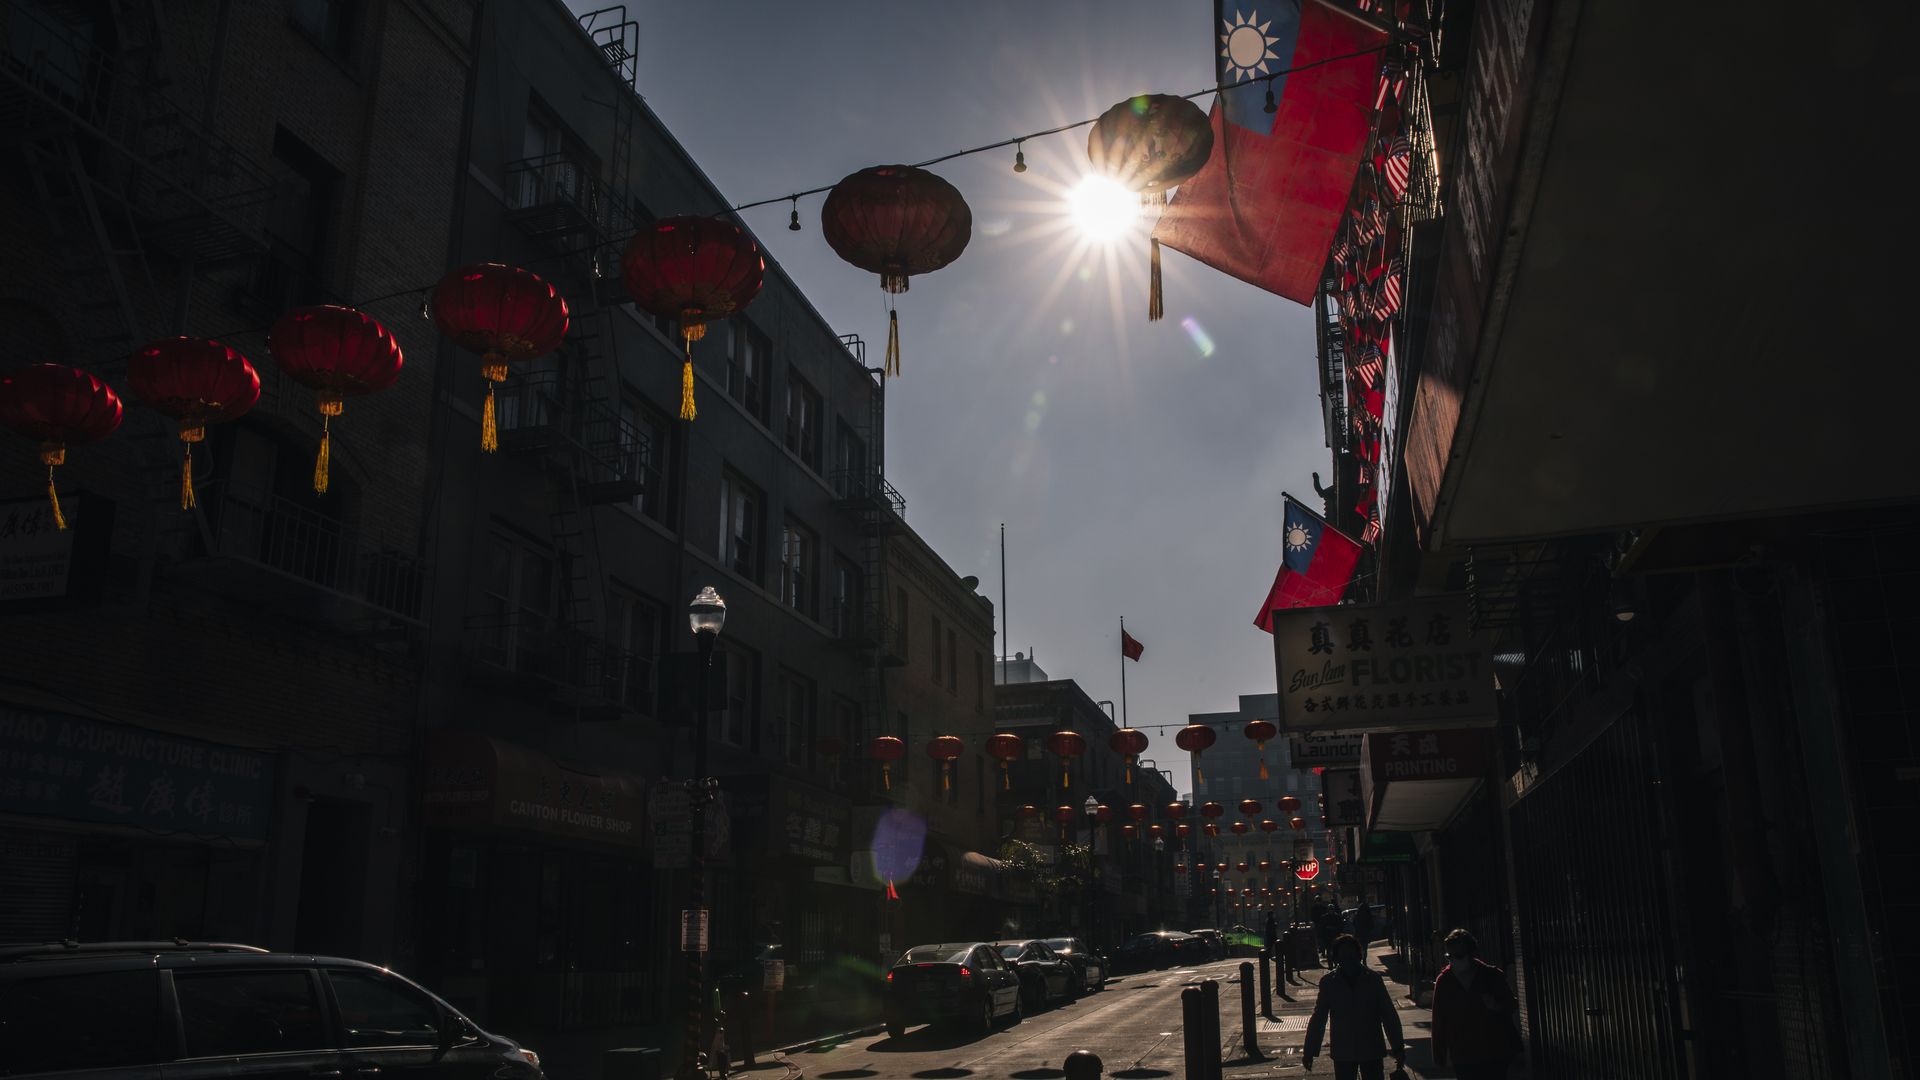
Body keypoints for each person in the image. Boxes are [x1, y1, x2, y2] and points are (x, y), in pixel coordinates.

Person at [1303, 934, 1405, 1080]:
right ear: (1336, 958)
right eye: (1343, 955)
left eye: (1351, 954)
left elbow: (1389, 1015)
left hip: (1371, 1049)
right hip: (1343, 1052)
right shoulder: (1329, 983)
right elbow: (1319, 1018)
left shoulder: (1373, 980)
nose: (1348, 959)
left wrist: (1398, 1047)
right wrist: (1310, 1050)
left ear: (1359, 955)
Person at [1430, 929, 1522, 1080]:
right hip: (1463, 1054)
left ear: (1470, 953)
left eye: (1458, 955)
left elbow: (1511, 1005)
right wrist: (1440, 1056)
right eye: (1449, 956)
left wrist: (1496, 1006)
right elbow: (1439, 1020)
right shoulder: (1445, 981)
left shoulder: (1491, 975)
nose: (1453, 960)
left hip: (1494, 1051)